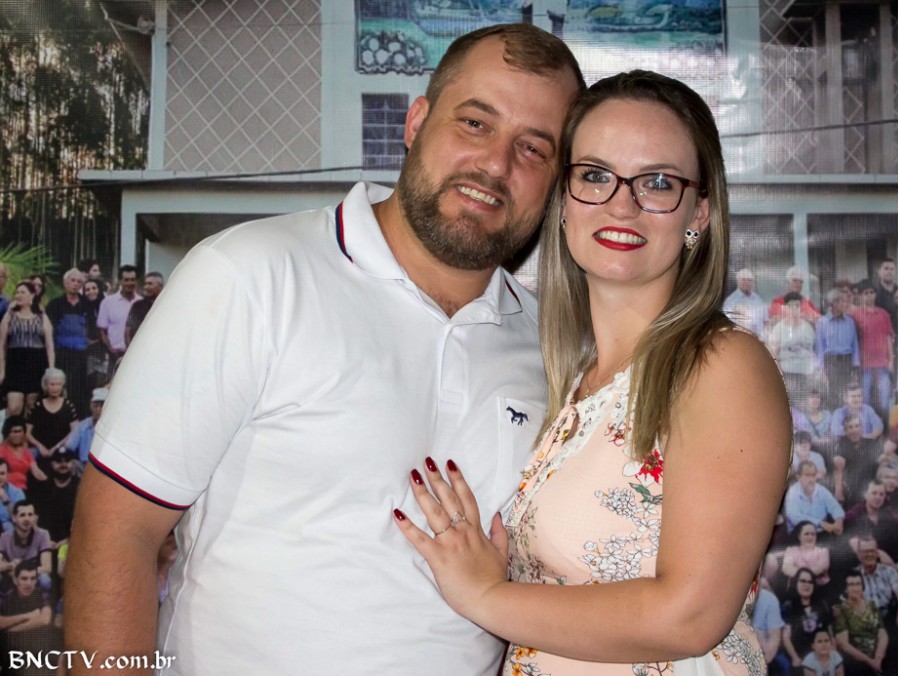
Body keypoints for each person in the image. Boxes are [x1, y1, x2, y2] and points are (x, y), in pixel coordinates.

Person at [65, 24, 585, 676]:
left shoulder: (553, 350)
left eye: (533, 148)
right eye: (475, 123)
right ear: (416, 122)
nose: (496, 164)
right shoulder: (249, 275)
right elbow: (117, 531)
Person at [394, 71, 791, 674]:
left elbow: (691, 614)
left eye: (658, 182)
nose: (621, 204)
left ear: (699, 212)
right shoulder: (573, 380)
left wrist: (486, 596)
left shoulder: (721, 365)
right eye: (596, 176)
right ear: (564, 201)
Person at [0, 280, 55, 419]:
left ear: (32, 295)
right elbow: (2, 345)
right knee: (14, 406)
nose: (18, 295)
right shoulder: (9, 316)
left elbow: (49, 346)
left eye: (23, 292)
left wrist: (51, 369)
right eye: (17, 292)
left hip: (36, 363)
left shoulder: (42, 317)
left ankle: (28, 433)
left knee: (32, 406)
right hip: (14, 364)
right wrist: (2, 370)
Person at [46, 267, 91, 413]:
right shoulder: (54, 304)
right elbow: (49, 331)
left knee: (79, 391)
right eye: (73, 280)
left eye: (79, 281)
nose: (75, 284)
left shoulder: (87, 304)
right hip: (61, 355)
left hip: (81, 356)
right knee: (61, 388)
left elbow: (92, 328)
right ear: (65, 283)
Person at [849, 285, 894, 416]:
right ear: (861, 296)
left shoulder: (884, 314)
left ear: (875, 294)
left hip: (882, 364)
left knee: (885, 399)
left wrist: (891, 360)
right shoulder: (855, 315)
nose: (869, 295)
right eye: (866, 293)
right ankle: (866, 424)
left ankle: (885, 425)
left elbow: (888, 337)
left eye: (872, 292)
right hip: (865, 364)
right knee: (866, 400)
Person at [834, 571, 888, 676]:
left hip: (878, 655)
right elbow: (844, 645)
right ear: (846, 589)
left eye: (858, 584)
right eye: (851, 585)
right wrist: (869, 661)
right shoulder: (842, 610)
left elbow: (882, 632)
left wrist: (879, 657)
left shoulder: (872, 605)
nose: (855, 588)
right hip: (857, 660)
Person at [781, 568, 834, 673]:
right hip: (800, 659)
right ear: (796, 583)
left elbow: (830, 635)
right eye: (803, 581)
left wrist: (832, 657)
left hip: (822, 657)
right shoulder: (789, 607)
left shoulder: (822, 605)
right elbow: (786, 637)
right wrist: (795, 658)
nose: (807, 585)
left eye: (810, 582)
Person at [815, 289, 860, 409]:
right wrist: (821, 368)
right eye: (842, 301)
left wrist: (855, 365)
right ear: (833, 303)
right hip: (831, 361)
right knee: (833, 392)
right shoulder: (822, 322)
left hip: (847, 361)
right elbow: (820, 347)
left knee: (847, 392)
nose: (845, 304)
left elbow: (855, 344)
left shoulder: (850, 322)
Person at [95, 264, 141, 370]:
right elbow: (102, 330)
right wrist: (111, 349)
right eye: (126, 280)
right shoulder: (108, 303)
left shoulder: (141, 303)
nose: (130, 283)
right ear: (120, 281)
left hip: (137, 355)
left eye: (132, 280)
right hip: (115, 354)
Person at [124, 270, 164, 347]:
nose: (146, 287)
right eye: (145, 284)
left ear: (160, 286)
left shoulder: (165, 305)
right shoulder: (137, 306)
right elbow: (128, 331)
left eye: (150, 284)